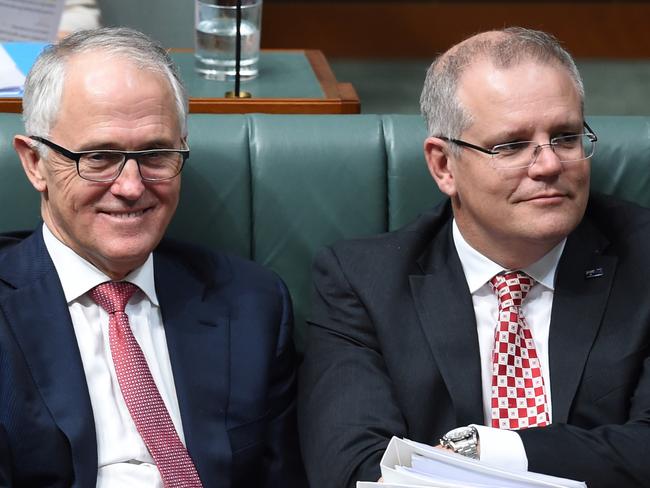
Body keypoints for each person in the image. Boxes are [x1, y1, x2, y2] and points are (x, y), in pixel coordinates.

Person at [298, 27, 650, 488]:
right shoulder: (361, 284)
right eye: (511, 146)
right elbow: (353, 469)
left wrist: (491, 452)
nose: (547, 165)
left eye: (565, 138)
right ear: (444, 166)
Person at [0, 27, 305, 487]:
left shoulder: (253, 305)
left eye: (156, 154)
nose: (130, 186)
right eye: (99, 157)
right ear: (35, 163)